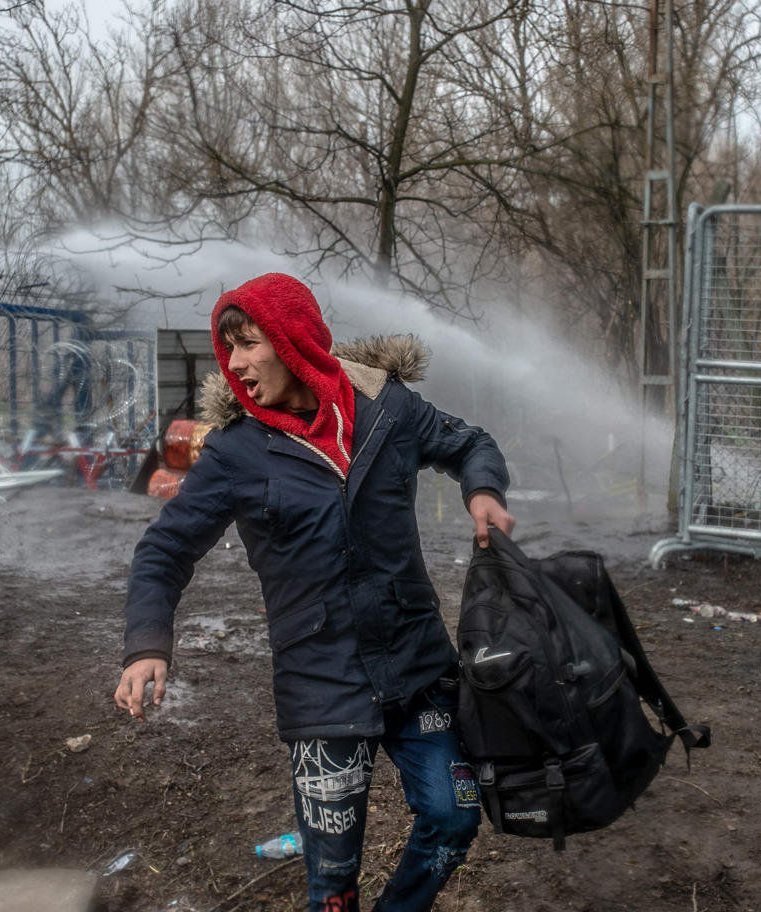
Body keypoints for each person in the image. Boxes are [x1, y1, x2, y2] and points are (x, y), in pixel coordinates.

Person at [115, 273, 514, 912]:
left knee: (455, 817)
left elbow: (470, 444)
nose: (236, 364)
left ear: (292, 337)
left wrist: (484, 491)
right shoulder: (234, 455)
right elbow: (163, 552)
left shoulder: (389, 411)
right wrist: (146, 646)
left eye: (249, 344)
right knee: (333, 881)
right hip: (321, 688)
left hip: (417, 669)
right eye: (231, 350)